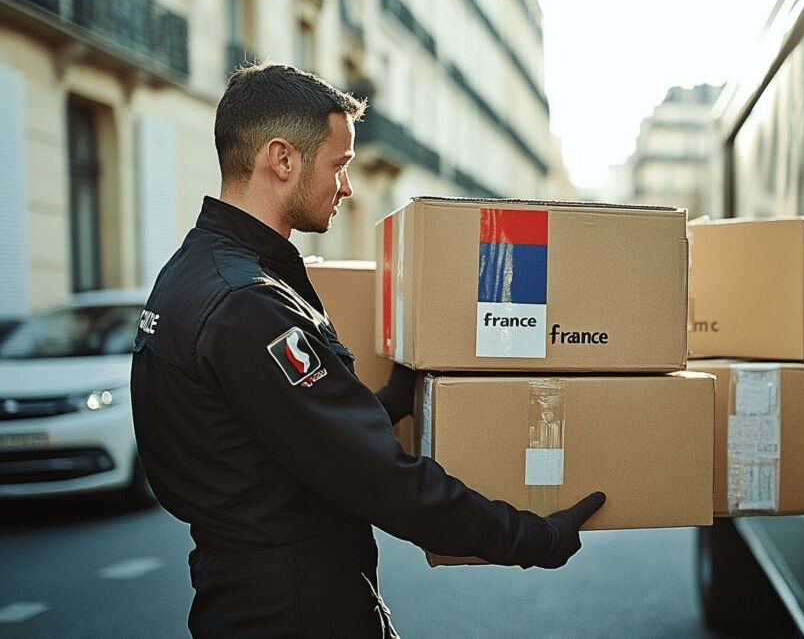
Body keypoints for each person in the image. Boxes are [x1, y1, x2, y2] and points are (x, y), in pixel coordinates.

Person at [130, 62, 605, 639]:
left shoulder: (191, 274)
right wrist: (532, 537)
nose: (346, 186)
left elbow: (281, 438)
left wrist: (391, 400)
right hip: (297, 608)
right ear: (282, 159)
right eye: (339, 165)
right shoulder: (249, 304)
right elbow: (376, 477)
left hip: (241, 592)